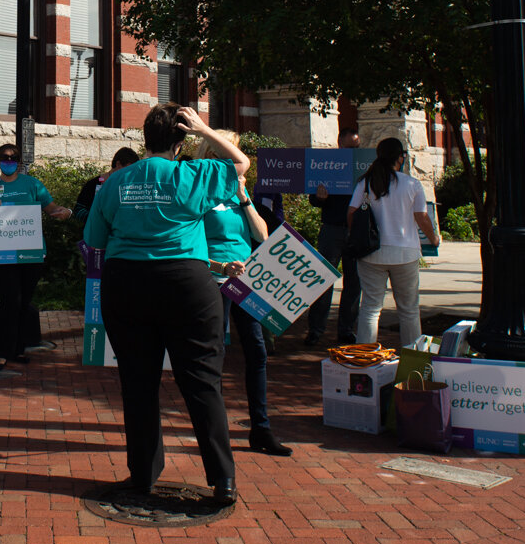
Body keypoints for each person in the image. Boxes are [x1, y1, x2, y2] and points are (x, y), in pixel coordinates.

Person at [84, 104, 246, 504]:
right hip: (187, 286)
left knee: (138, 384)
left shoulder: (116, 181)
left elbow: (96, 241)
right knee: (203, 382)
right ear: (180, 141)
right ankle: (222, 480)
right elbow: (240, 162)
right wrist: (206, 130)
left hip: (127, 284)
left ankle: (143, 475)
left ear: (144, 138)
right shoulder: (193, 174)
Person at [200, 133, 289, 457]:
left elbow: (262, 234)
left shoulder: (239, 191)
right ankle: (215, 430)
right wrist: (220, 265)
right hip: (215, 278)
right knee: (215, 353)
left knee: (258, 350)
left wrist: (244, 197)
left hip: (247, 279)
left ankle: (261, 429)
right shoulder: (203, 188)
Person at [0, 144, 72, 372]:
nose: (8, 161)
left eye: (13, 158)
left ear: (19, 161)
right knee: (9, 300)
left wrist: (64, 212)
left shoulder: (32, 185)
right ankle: (2, 353)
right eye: (4, 157)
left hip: (31, 253)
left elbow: (51, 208)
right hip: (3, 254)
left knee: (23, 302)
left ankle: (18, 349)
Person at [348, 138, 439, 349]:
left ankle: (365, 357)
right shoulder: (411, 184)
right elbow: (421, 217)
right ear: (400, 158)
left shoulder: (365, 182)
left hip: (371, 252)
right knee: (409, 310)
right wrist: (433, 238)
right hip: (405, 253)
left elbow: (351, 213)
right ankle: (412, 359)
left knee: (370, 308)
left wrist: (358, 234)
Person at [304, 131, 363, 345]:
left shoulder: (363, 168)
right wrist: (320, 198)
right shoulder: (326, 165)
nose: (353, 152)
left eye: (357, 148)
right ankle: (316, 329)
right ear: (339, 145)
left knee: (354, 283)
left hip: (356, 232)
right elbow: (313, 199)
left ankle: (346, 330)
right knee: (323, 280)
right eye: (350, 148)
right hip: (332, 229)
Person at [73, 148, 139, 219]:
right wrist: (96, 218)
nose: (131, 173)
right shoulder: (93, 184)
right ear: (118, 164)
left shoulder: (131, 187)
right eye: (129, 169)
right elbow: (78, 210)